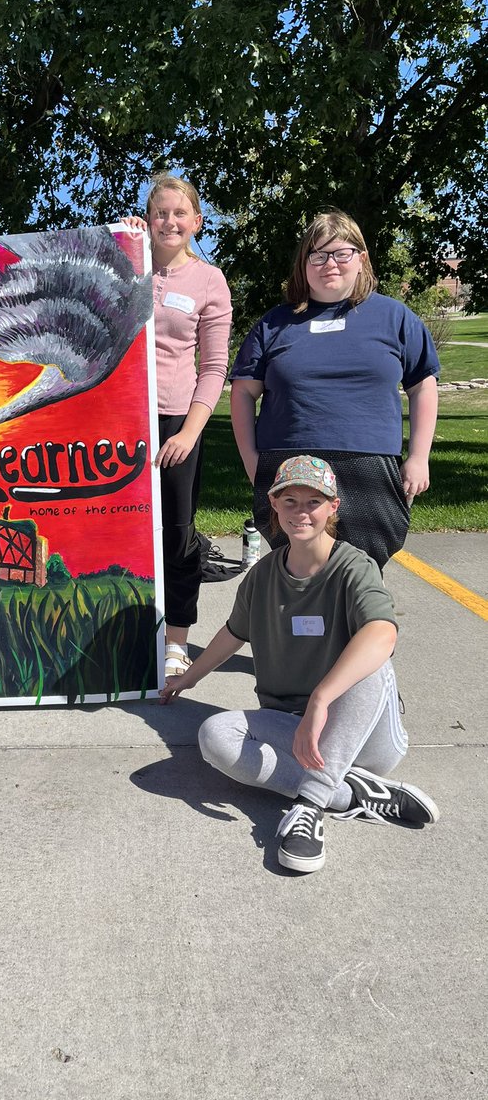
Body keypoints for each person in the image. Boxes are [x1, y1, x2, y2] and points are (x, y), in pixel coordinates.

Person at [161, 455, 439, 874]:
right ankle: (353, 795)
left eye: (314, 501)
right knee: (215, 736)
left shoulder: (353, 567)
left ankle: (310, 807)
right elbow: (233, 634)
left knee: (371, 658)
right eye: (289, 500)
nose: (301, 511)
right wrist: (188, 679)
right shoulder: (263, 575)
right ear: (273, 505)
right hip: (293, 728)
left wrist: (321, 700)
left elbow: (383, 634)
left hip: (362, 735)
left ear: (333, 508)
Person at [230, 210, 440, 568]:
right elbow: (242, 394)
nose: (330, 263)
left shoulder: (395, 318)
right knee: (296, 580)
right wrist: (254, 463)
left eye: (342, 253)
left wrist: (419, 458)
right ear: (304, 263)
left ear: (361, 259)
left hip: (369, 466)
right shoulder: (274, 324)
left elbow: (423, 387)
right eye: (318, 254)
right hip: (288, 466)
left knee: (362, 582)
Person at [121, 175, 233, 676]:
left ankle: (176, 639)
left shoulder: (209, 281)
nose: (169, 221)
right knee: (119, 525)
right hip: (118, 417)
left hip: (175, 420)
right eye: (159, 213)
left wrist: (189, 431)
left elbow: (214, 366)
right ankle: (120, 628)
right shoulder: (124, 266)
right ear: (147, 219)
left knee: (178, 533)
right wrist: (119, 244)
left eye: (179, 213)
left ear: (196, 222)